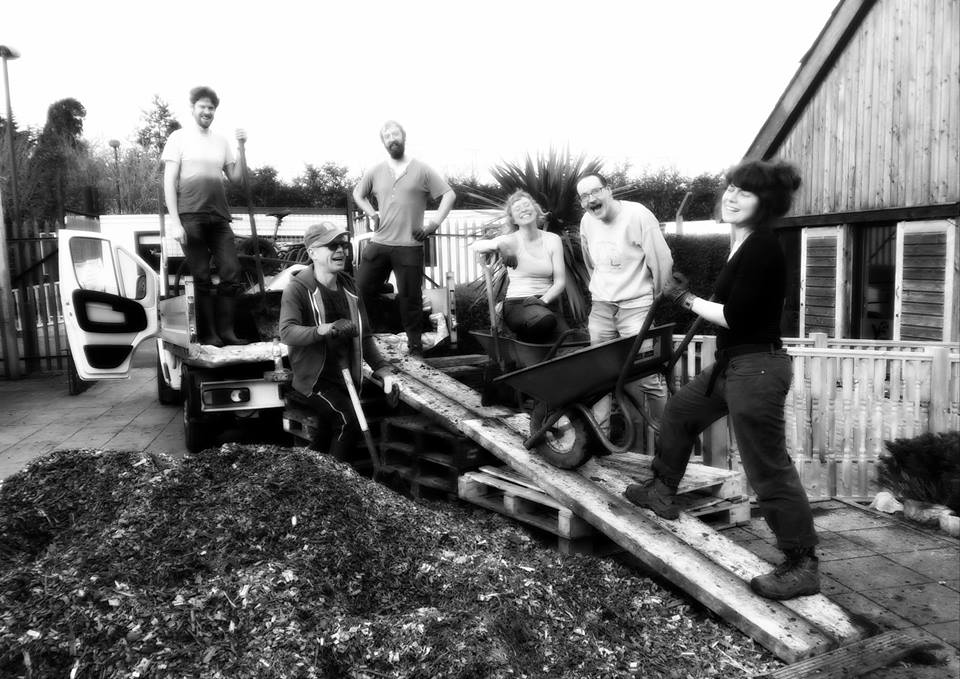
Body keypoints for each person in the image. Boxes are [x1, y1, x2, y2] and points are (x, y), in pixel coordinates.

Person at [624, 159, 820, 601]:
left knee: (767, 466)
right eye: (730, 187)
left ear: (765, 204)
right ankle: (662, 489)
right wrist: (692, 295)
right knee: (680, 411)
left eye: (744, 193)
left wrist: (683, 297)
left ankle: (802, 563)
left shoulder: (764, 246)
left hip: (759, 369)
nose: (731, 196)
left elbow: (734, 315)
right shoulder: (742, 243)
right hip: (734, 363)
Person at [279, 222, 398, 458]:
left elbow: (363, 336)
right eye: (332, 245)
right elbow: (287, 332)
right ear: (312, 252)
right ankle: (336, 485)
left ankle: (304, 475)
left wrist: (382, 369)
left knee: (325, 436)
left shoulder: (351, 289)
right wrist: (324, 330)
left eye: (343, 245)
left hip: (344, 377)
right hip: (314, 379)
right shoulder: (298, 288)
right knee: (347, 422)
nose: (341, 250)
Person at [576, 173, 673, 432]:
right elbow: (590, 261)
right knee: (600, 376)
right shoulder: (587, 221)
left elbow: (662, 260)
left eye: (595, 191)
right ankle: (600, 439)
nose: (591, 199)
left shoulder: (638, 215)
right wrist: (601, 290)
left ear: (609, 190)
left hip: (637, 306)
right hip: (602, 307)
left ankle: (668, 438)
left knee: (648, 375)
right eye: (584, 196)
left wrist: (654, 299)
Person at [352, 121, 457, 356]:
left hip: (409, 246)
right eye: (387, 135)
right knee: (360, 290)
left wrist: (433, 225)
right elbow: (357, 194)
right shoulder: (375, 171)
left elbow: (450, 194)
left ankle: (415, 347)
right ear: (384, 142)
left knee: (410, 299)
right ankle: (366, 339)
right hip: (380, 243)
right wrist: (371, 212)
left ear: (404, 136)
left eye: (395, 133)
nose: (392, 138)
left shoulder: (422, 170)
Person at [162, 86, 250, 347]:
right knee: (201, 277)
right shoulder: (178, 138)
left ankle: (227, 333)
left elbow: (236, 179)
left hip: (219, 217)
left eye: (211, 107)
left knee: (231, 272)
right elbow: (169, 181)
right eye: (202, 106)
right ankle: (209, 335)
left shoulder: (221, 141)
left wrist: (242, 147)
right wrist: (175, 222)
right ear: (192, 109)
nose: (207, 111)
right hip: (190, 216)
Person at [468, 190, 568, 343]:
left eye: (527, 205)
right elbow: (476, 246)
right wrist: (500, 244)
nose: (524, 209)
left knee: (569, 341)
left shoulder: (553, 240)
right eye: (517, 209)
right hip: (517, 304)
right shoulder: (509, 240)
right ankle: (525, 349)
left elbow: (560, 281)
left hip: (545, 302)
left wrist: (543, 301)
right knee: (544, 321)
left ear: (535, 209)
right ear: (513, 220)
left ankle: (529, 353)